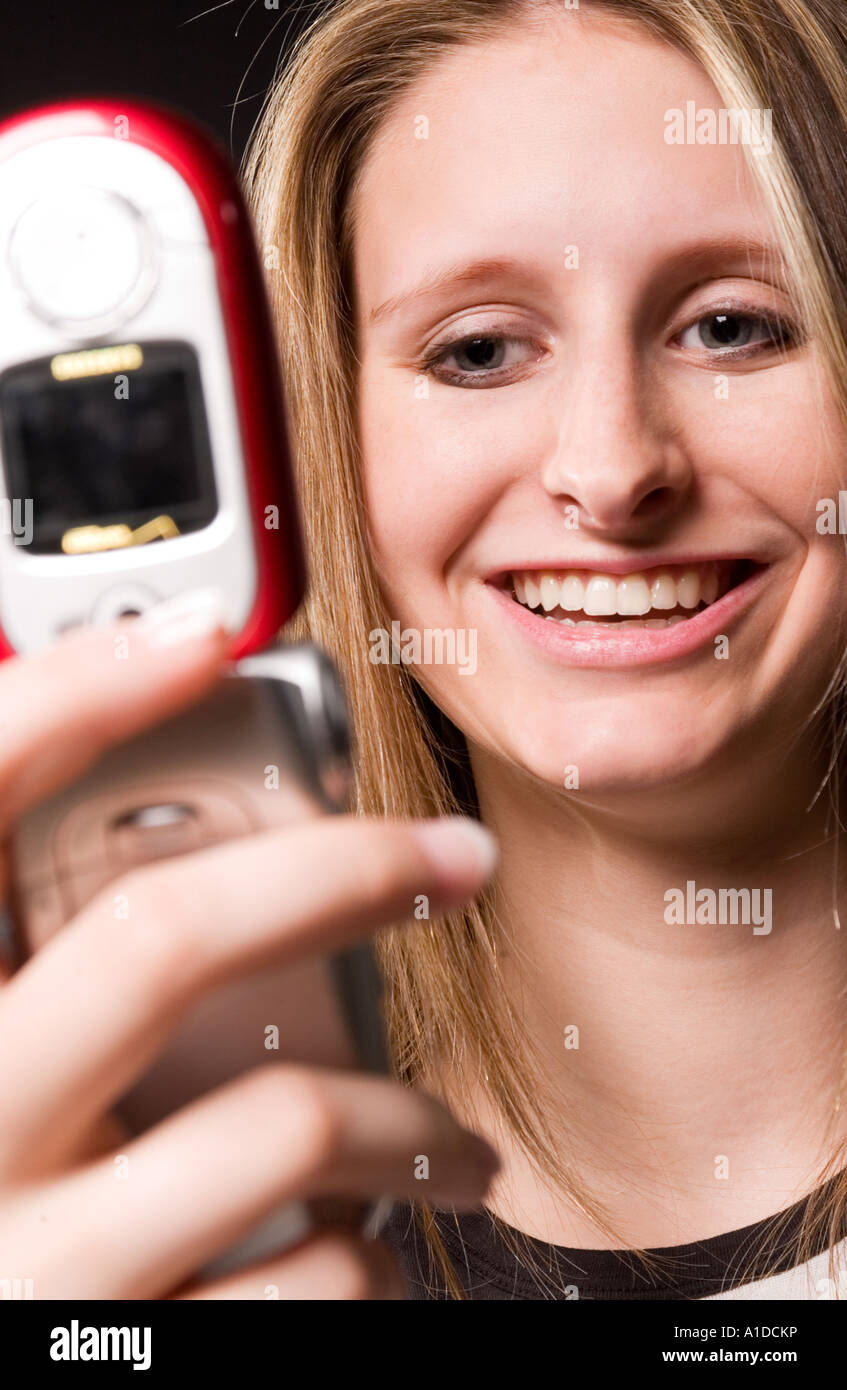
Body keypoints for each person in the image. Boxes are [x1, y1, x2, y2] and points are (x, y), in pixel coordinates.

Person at [241, 0, 847, 1297]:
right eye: (476, 351)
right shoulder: (220, 1229)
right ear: (327, 448)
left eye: (733, 325)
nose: (613, 468)